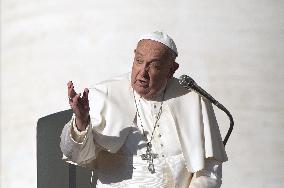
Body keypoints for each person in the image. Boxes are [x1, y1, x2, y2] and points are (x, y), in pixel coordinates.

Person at [60, 31, 228, 188]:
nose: (143, 73)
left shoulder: (193, 99)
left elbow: (209, 169)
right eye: (139, 61)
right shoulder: (103, 95)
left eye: (154, 66)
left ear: (171, 70)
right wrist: (81, 121)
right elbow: (76, 155)